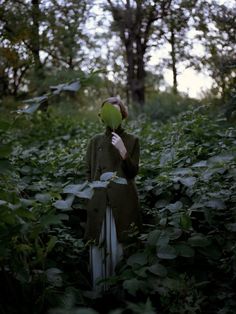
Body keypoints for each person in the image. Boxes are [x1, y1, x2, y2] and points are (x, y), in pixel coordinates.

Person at [83, 96, 142, 291]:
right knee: (98, 245)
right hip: (99, 202)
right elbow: (87, 170)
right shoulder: (95, 141)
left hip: (122, 203)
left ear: (123, 115)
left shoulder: (132, 140)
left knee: (119, 248)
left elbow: (133, 172)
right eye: (109, 111)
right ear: (102, 115)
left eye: (117, 112)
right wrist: (92, 190)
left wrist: (123, 151)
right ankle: (99, 293)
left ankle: (120, 293)